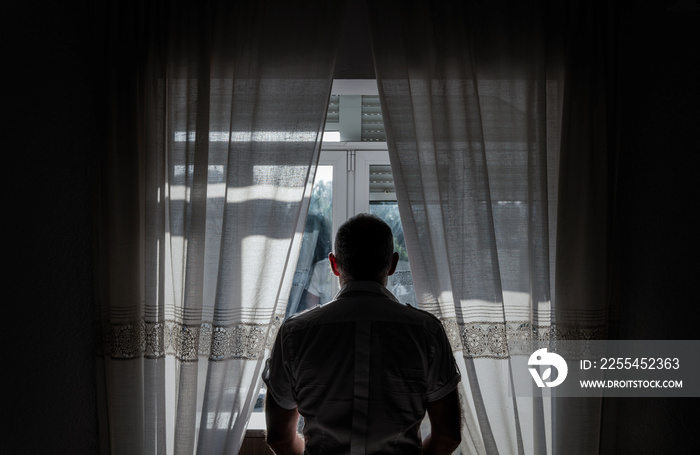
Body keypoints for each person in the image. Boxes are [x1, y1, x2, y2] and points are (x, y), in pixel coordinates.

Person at [262, 214, 462, 454]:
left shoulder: (294, 334)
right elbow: (448, 435)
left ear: (334, 265)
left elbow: (279, 437)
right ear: (393, 263)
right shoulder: (427, 332)